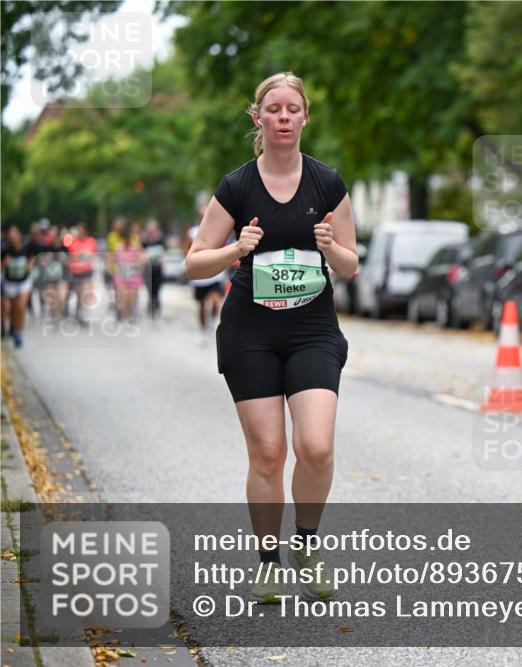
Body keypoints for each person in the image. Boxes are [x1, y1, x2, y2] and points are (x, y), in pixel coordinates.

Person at [185, 72, 357, 603]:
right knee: (267, 452)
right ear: (258, 118)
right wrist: (237, 250)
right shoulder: (237, 186)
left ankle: (306, 544)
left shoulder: (327, 183)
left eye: (293, 109)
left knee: (316, 447)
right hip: (250, 331)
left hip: (312, 329)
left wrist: (330, 248)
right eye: (273, 109)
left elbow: (350, 266)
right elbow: (194, 264)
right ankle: (268, 561)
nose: (283, 117)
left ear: (305, 118)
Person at [184, 209, 229, 345]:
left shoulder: (219, 230)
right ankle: (203, 330)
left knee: (216, 302)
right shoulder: (192, 232)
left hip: (215, 274)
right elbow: (186, 249)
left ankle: (211, 322)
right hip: (200, 276)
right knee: (202, 305)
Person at [2, 227, 36, 347]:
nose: (12, 238)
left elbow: (32, 258)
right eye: (10, 236)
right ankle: (13, 326)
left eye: (14, 235)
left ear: (19, 235)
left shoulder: (26, 248)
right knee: (11, 309)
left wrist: (30, 265)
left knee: (20, 307)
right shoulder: (5, 250)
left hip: (24, 282)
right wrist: (4, 263)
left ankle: (18, 332)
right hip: (10, 282)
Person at [66, 223, 98, 322]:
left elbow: (93, 255)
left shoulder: (91, 241)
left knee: (85, 292)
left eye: (81, 230)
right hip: (75, 272)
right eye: (78, 230)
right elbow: (69, 257)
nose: (80, 232)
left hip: (87, 271)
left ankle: (82, 313)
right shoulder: (72, 242)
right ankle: (78, 310)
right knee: (78, 293)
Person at [113, 231, 146, 322]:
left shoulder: (135, 247)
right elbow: (113, 260)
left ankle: (130, 315)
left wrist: (137, 263)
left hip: (133, 276)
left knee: (131, 298)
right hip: (121, 275)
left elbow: (143, 258)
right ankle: (124, 316)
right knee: (123, 297)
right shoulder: (118, 248)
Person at [142, 219, 167, 321]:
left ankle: (156, 309)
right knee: (150, 292)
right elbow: (141, 254)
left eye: (153, 230)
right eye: (149, 231)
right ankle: (151, 308)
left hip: (158, 271)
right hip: (148, 271)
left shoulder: (161, 240)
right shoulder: (144, 241)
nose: (151, 232)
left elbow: (165, 254)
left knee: (157, 292)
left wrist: (162, 259)